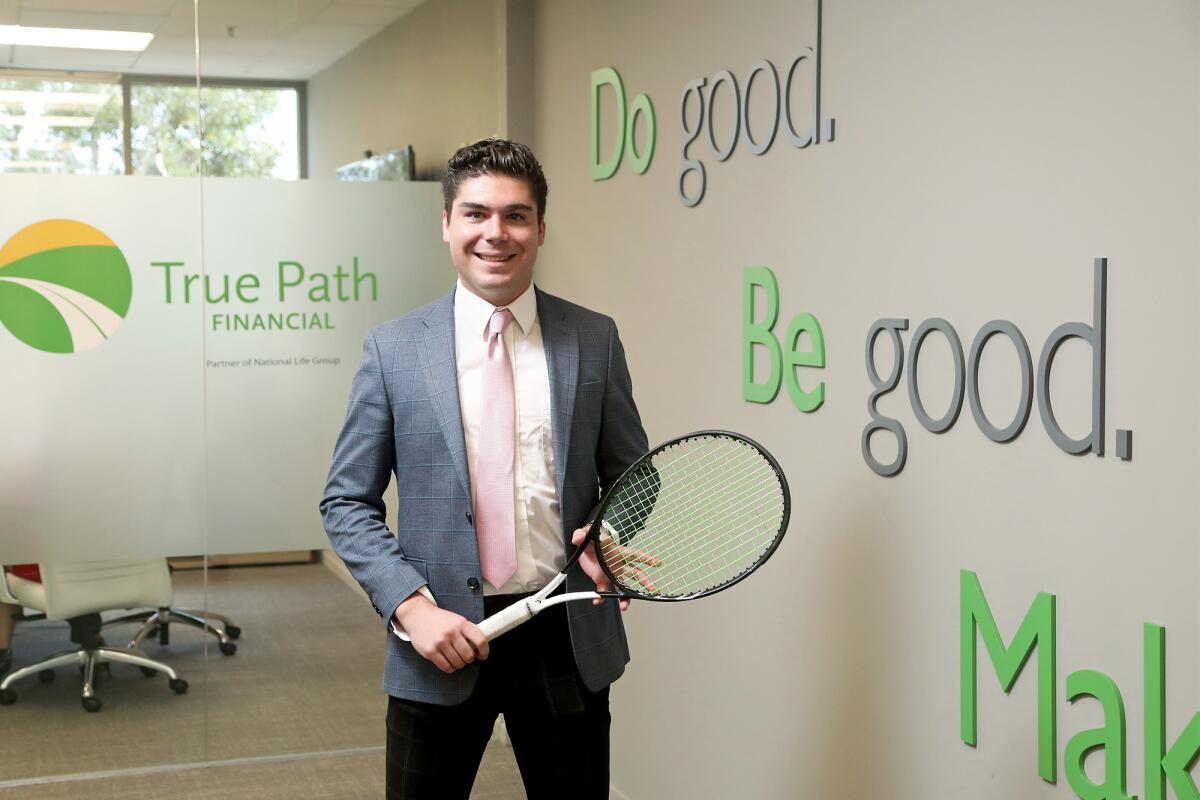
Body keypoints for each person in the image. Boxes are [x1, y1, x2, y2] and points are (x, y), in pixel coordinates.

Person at [320, 138, 648, 799]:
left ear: (540, 229)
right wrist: (411, 609)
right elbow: (346, 502)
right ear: (446, 224)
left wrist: (609, 535)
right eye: (475, 214)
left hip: (565, 634)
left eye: (515, 215)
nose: (495, 233)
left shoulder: (593, 339)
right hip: (440, 637)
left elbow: (637, 474)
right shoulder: (394, 351)